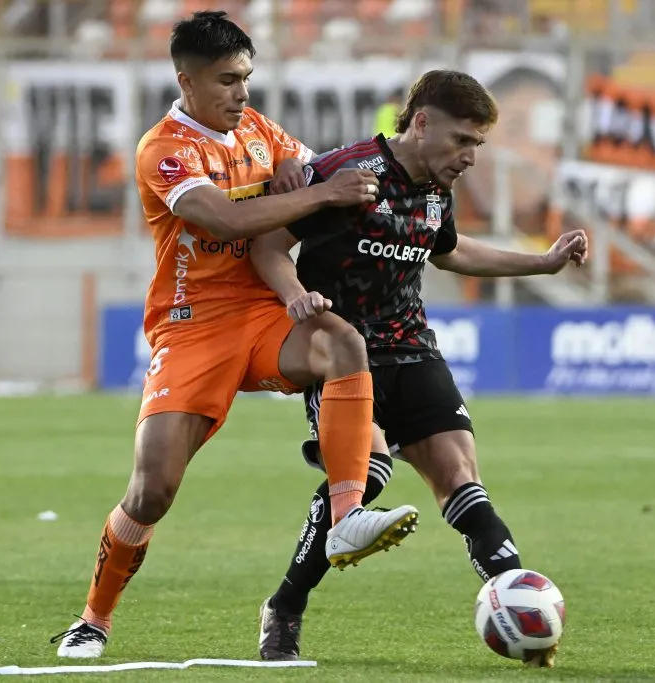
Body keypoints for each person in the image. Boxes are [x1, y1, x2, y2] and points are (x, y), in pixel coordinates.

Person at [50, 11, 419, 659]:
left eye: (246, 78)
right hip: (192, 328)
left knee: (343, 344)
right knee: (151, 490)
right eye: (226, 81)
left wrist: (324, 184)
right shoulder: (163, 148)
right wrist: (315, 195)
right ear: (185, 80)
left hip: (265, 313)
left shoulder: (257, 130)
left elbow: (315, 173)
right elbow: (220, 214)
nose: (241, 94)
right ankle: (93, 618)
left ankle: (346, 514)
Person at [249, 70, 588, 668]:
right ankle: (285, 605)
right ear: (422, 122)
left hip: (413, 349)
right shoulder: (347, 173)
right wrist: (293, 296)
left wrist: (542, 263)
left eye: (478, 145)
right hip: (343, 355)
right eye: (463, 141)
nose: (470, 157)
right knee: (369, 473)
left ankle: (519, 608)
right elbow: (268, 245)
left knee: (462, 480)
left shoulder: (436, 189)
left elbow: (451, 251)